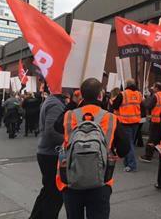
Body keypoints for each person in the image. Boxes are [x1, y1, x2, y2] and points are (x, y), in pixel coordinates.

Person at [54, 78, 130, 219]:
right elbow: (125, 148)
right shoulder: (111, 118)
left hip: (71, 179)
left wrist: (72, 103)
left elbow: (56, 126)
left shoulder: (69, 115)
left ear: (81, 95)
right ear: (100, 95)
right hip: (100, 179)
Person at [29, 90, 66, 219]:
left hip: (47, 152)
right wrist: (70, 141)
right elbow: (52, 132)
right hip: (51, 154)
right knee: (55, 194)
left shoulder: (53, 101)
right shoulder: (55, 104)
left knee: (48, 191)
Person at [111, 78, 142, 172]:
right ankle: (127, 162)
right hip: (136, 121)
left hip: (125, 122)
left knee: (129, 144)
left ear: (126, 85)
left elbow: (115, 106)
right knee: (130, 142)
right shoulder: (139, 94)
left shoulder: (123, 94)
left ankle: (132, 165)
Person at [140, 82, 161, 163]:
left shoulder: (156, 96)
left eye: (154, 87)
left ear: (157, 88)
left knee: (151, 139)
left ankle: (148, 156)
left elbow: (148, 105)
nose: (152, 89)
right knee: (160, 139)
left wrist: (144, 100)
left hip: (155, 120)